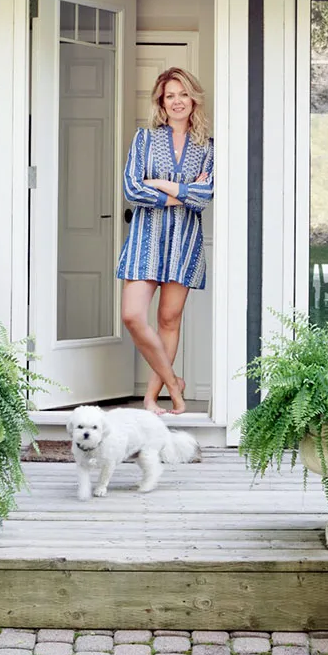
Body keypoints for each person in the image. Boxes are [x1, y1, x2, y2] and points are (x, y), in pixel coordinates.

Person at [116, 67, 214, 414]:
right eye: (170, 95)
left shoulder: (207, 147)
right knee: (132, 315)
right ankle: (174, 382)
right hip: (146, 239)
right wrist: (179, 194)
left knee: (169, 321)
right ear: (161, 101)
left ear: (193, 100)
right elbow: (131, 188)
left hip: (184, 241)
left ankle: (152, 397)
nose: (177, 102)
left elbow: (204, 196)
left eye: (183, 95)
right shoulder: (144, 139)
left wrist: (159, 183)